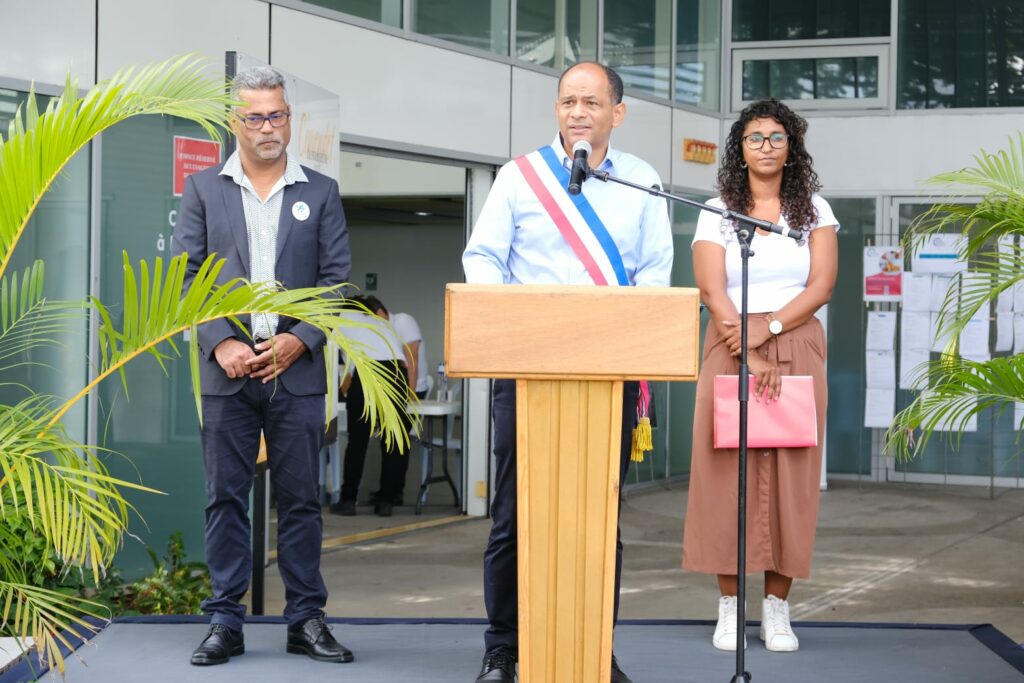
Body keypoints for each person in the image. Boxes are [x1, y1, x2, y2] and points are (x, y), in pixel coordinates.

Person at [462, 61, 673, 683]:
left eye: (591, 102)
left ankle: (590, 645)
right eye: (567, 101)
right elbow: (482, 257)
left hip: (611, 379)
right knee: (514, 516)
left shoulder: (641, 180)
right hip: (526, 376)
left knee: (597, 516)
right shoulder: (520, 177)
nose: (578, 112)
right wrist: (512, 324)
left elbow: (656, 272)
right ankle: (504, 645)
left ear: (617, 112)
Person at [172, 66, 353, 666]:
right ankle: (226, 620)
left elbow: (335, 285)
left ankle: (305, 619)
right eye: (254, 117)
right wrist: (221, 342)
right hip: (228, 372)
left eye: (277, 115)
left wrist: (300, 339)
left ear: (289, 119)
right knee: (224, 498)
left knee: (301, 501)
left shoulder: (320, 191)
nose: (268, 127)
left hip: (295, 375)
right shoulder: (203, 189)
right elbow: (185, 280)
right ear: (235, 123)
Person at [682, 99, 838, 653]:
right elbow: (711, 289)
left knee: (792, 475)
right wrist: (748, 348)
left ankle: (777, 608)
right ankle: (729, 606)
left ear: (791, 145)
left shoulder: (813, 210)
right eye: (755, 137)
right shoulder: (716, 209)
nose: (766, 146)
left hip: (795, 338)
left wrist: (768, 329)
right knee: (725, 473)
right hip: (730, 342)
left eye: (776, 137)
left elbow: (820, 285)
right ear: (739, 148)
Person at [330, 295, 413, 517]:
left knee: (357, 441)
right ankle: (386, 501)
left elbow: (340, 362)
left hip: (368, 371)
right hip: (396, 372)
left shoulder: (340, 318)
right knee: (392, 440)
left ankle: (348, 501)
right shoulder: (380, 322)